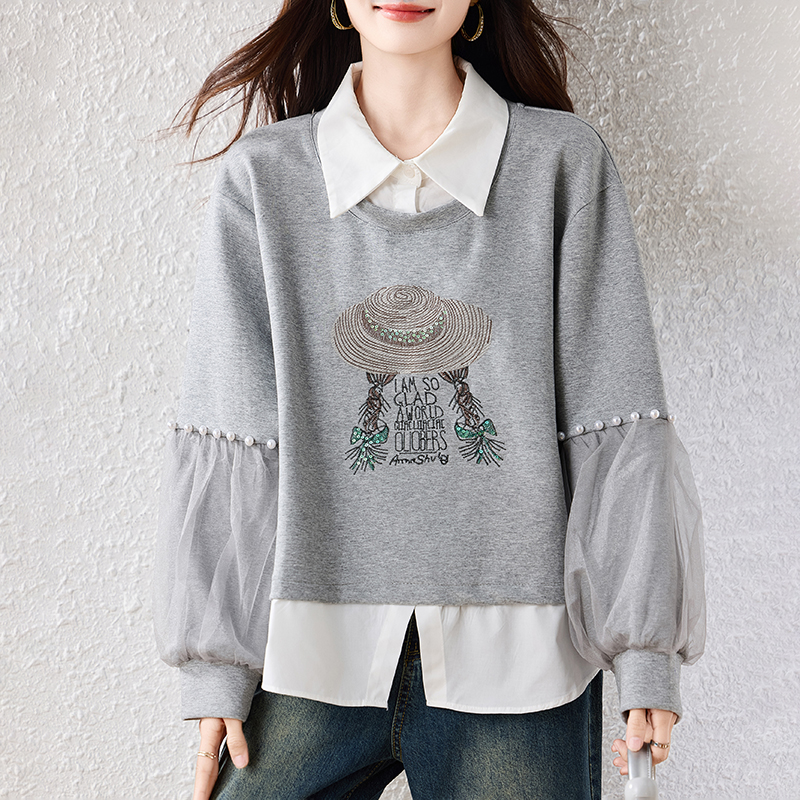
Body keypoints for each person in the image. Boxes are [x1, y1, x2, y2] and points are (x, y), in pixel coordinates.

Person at [153, 0, 706, 798]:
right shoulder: (264, 180)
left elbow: (611, 416)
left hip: (521, 663)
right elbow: (233, 424)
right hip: (305, 652)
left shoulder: (560, 164)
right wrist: (216, 666)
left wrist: (645, 655)